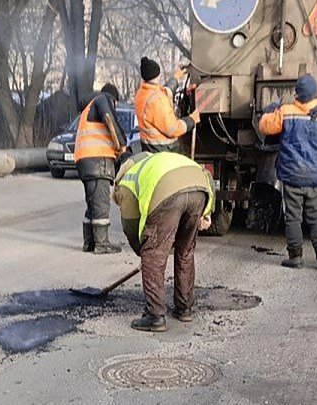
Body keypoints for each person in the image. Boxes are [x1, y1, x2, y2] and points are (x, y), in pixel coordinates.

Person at [113, 152, 215, 332]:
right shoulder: (157, 160)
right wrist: (207, 210)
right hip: (199, 188)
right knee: (185, 252)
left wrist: (144, 252)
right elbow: (206, 176)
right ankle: (184, 308)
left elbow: (130, 225)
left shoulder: (128, 178)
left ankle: (155, 316)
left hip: (169, 192)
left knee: (153, 255)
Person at [258, 75, 317, 270]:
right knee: (316, 217)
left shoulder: (286, 112)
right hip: (316, 178)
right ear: (315, 93)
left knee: (293, 217)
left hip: (291, 176)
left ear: (297, 93)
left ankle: (295, 257)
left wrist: (269, 111)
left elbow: (265, 127)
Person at [75, 83, 128, 255]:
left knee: (91, 203)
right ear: (114, 99)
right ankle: (102, 244)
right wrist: (121, 145)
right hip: (98, 161)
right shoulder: (103, 99)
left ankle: (89, 242)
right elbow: (109, 118)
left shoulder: (87, 108)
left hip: (84, 161)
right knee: (101, 203)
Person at [135, 57, 201, 153]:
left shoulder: (142, 93)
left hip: (150, 149)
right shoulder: (158, 99)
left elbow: (166, 91)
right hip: (163, 151)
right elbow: (173, 129)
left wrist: (176, 78)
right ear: (158, 75)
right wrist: (191, 120)